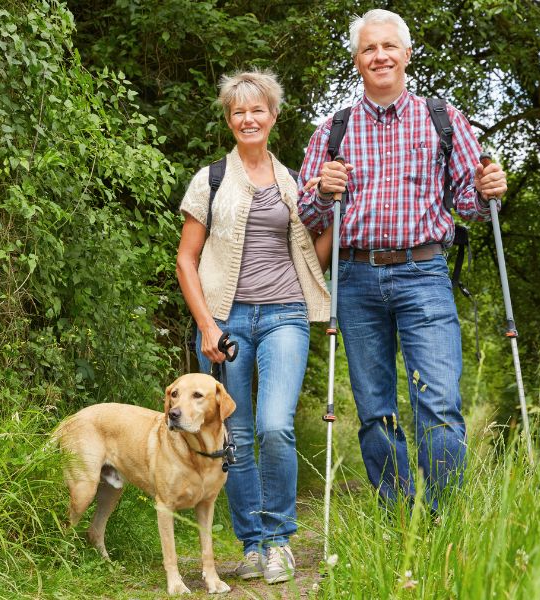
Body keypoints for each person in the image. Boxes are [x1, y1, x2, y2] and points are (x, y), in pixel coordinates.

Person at [298, 9, 508, 511]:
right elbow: (305, 214)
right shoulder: (333, 130)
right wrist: (324, 194)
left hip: (424, 273)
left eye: (389, 46)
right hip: (355, 276)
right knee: (374, 410)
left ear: (407, 54)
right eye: (369, 49)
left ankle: (442, 521)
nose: (380, 56)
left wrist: (488, 191)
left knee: (437, 404)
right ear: (356, 61)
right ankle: (395, 515)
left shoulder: (443, 119)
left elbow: (471, 205)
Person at [176, 69, 330, 583]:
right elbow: (186, 260)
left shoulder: (295, 182)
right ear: (229, 119)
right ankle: (252, 543)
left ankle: (281, 539)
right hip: (226, 319)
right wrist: (205, 326)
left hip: (286, 312)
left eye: (257, 109)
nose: (248, 118)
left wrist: (339, 216)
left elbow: (312, 257)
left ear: (273, 116)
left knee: (274, 425)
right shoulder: (211, 179)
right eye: (238, 111)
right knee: (233, 433)